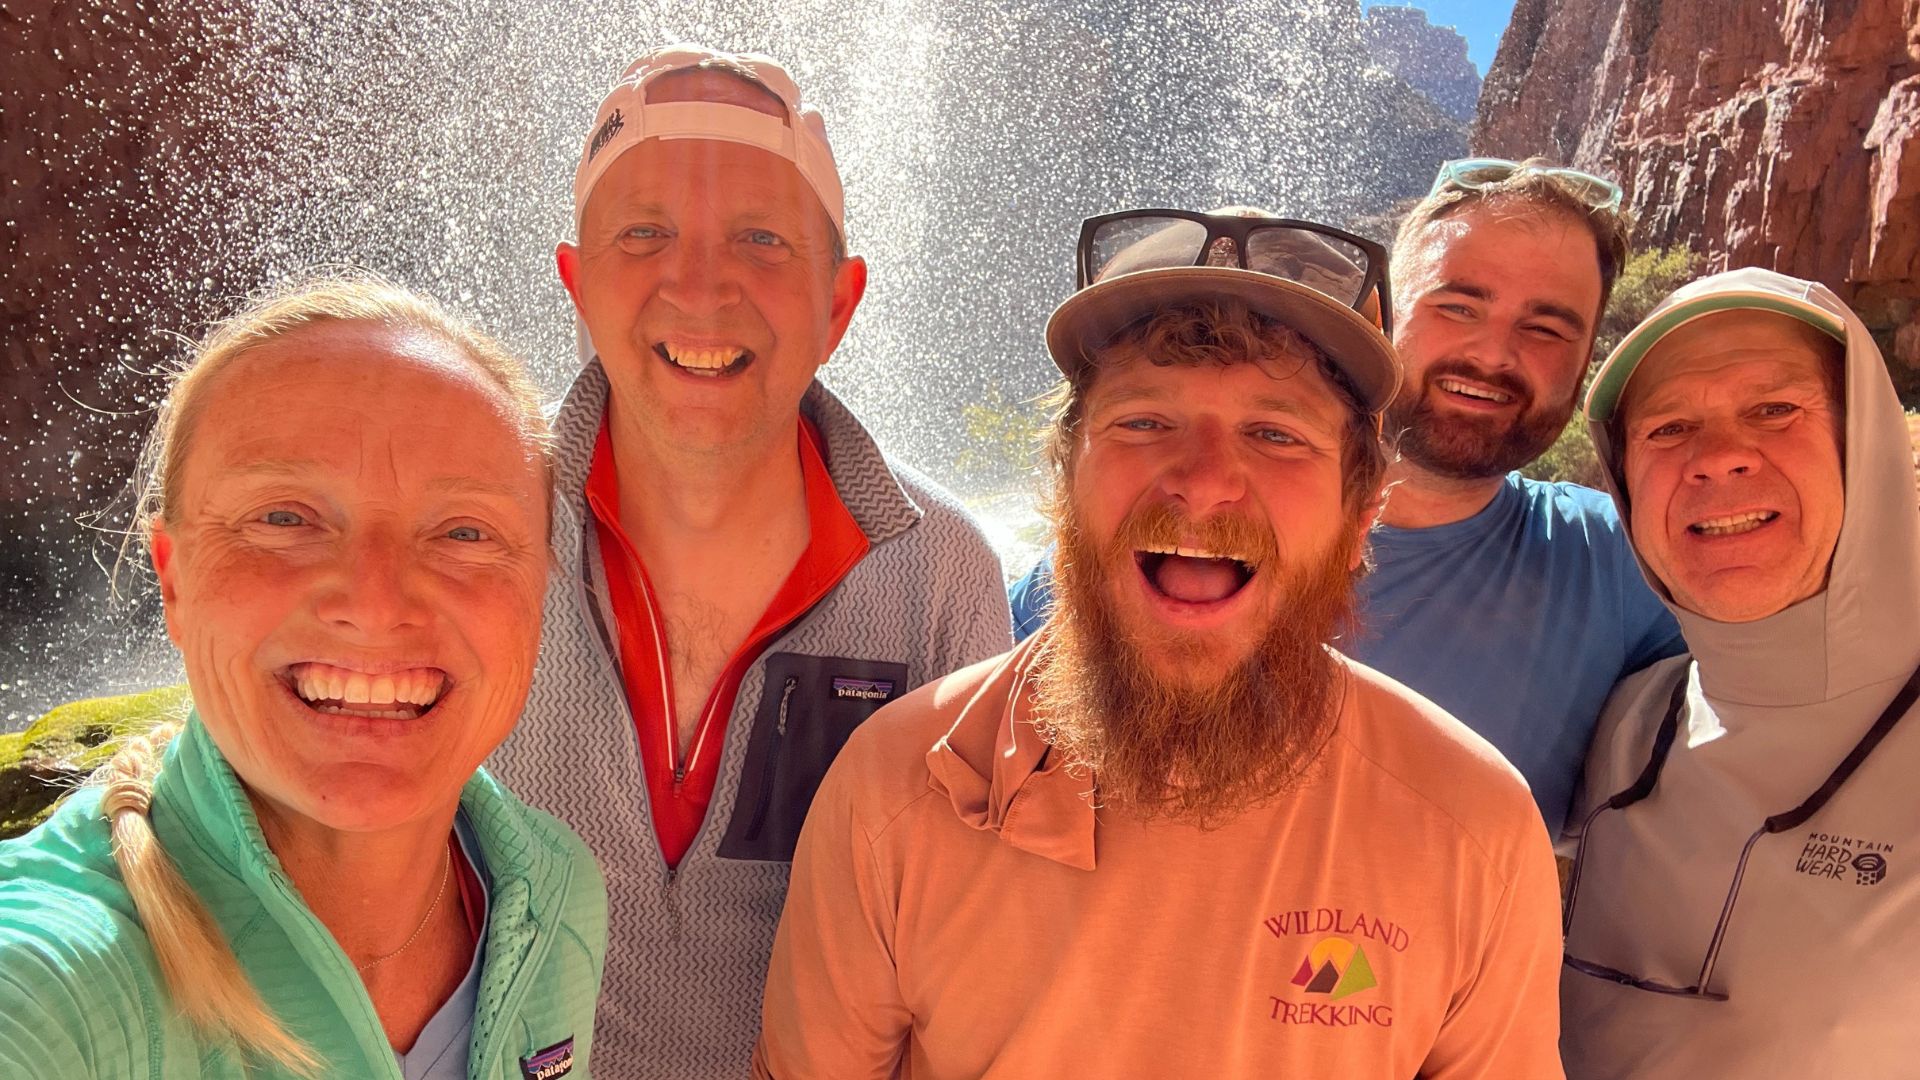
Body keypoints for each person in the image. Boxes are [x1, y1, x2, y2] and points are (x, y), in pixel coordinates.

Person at [756, 208, 1564, 1078]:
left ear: (1361, 516)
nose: (1205, 481)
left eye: (1276, 433)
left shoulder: (1472, 828)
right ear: (1063, 483)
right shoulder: (895, 791)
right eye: (1144, 422)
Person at [482, 46, 1012, 1075]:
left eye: (761, 240)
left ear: (840, 304)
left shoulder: (944, 575)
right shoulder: (467, 524)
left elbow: (970, 947)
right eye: (647, 233)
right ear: (576, 282)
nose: (701, 287)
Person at [0, 275, 607, 1078]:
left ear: (539, 590)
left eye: (464, 532)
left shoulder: (556, 893)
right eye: (285, 519)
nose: (376, 601)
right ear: (173, 584)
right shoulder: (50, 986)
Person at [1009, 161, 1684, 836]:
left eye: (1547, 328)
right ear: (1387, 317)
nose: (1492, 354)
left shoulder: (1625, 565)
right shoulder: (1113, 567)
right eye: (1457, 306)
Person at [1560, 268, 1920, 1077]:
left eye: (1774, 410)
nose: (1718, 458)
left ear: (1865, 442)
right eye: (1666, 428)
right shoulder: (1631, 721)